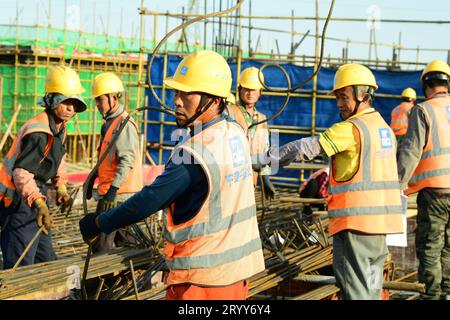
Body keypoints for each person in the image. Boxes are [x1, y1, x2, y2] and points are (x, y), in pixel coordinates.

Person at [79, 50, 265, 300]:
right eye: (176, 92)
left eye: (187, 93)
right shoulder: (234, 132)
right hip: (236, 276)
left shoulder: (194, 153)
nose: (177, 100)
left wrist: (99, 223)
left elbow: (149, 200)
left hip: (200, 282)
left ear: (214, 100)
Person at [255, 63, 404, 300]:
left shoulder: (352, 129)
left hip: (355, 225)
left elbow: (305, 148)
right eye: (337, 98)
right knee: (372, 289)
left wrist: (262, 160)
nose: (339, 104)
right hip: (380, 227)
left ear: (363, 95)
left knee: (355, 291)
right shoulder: (383, 129)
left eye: (343, 97)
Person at [0, 65, 87, 269]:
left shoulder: (58, 127)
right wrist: (39, 204)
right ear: (52, 99)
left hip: (36, 194)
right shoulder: (39, 132)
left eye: (74, 103)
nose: (70, 108)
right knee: (20, 264)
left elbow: (58, 160)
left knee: (45, 259)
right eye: (65, 102)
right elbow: (21, 173)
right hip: (17, 199)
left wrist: (61, 187)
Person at [397, 60, 450, 300]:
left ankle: (431, 296)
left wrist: (397, 185)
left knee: (430, 248)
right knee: (449, 248)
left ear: (426, 85)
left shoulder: (424, 110)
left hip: (436, 192)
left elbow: (410, 152)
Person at [90, 72, 143, 254]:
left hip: (118, 194)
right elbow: (108, 158)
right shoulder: (110, 123)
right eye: (96, 100)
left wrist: (112, 192)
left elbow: (127, 160)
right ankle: (137, 269)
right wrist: (92, 178)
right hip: (113, 192)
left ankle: (96, 280)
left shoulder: (124, 124)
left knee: (101, 243)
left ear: (113, 98)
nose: (97, 105)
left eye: (100, 100)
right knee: (127, 240)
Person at [225, 67, 276, 200]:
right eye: (246, 89)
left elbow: (265, 151)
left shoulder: (262, 119)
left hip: (250, 182)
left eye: (254, 90)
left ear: (260, 92)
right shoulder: (228, 112)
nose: (250, 93)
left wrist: (265, 178)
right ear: (239, 89)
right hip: (228, 180)